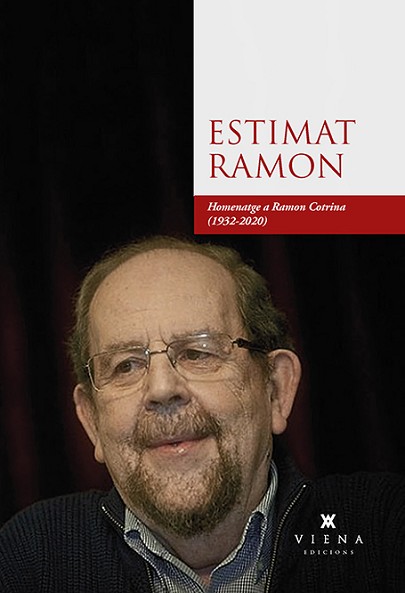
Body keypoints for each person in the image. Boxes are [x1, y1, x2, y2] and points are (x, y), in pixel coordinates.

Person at [0, 235, 404, 592]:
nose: (161, 389)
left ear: (276, 390)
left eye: (198, 352)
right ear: (91, 421)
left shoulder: (383, 530)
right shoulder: (32, 558)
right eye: (126, 365)